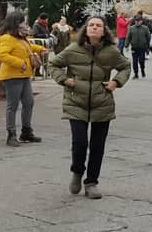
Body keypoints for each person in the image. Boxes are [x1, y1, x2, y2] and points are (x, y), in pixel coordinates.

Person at [51, 15, 130, 199]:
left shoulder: (111, 51)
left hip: (102, 102)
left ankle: (92, 182)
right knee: (79, 142)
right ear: (86, 29)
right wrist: (64, 80)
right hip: (75, 101)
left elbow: (126, 67)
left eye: (98, 25)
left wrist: (116, 82)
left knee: (97, 145)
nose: (94, 28)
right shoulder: (73, 49)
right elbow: (54, 64)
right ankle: (77, 172)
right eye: (91, 25)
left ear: (104, 31)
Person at [0, 11, 48, 147]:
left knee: (29, 102)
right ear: (15, 23)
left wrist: (40, 49)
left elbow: (27, 48)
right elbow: (1, 55)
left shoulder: (20, 37)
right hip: (12, 76)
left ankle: (26, 132)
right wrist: (20, 63)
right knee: (12, 106)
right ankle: (11, 134)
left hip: (25, 75)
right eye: (23, 22)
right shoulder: (7, 38)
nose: (25, 25)